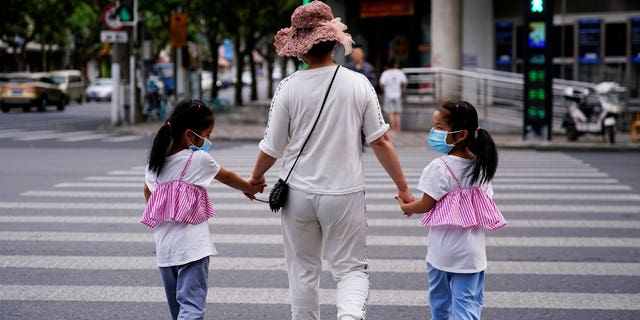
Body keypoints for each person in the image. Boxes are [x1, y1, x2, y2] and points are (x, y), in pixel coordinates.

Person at [249, 1, 414, 319]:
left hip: (296, 194)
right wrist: (404, 190)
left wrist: (254, 179)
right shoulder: (358, 84)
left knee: (303, 273)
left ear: (300, 49)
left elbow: (272, 146)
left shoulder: (288, 88)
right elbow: (380, 140)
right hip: (344, 194)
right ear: (334, 43)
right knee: (351, 270)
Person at [142, 99, 264, 320]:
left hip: (165, 250)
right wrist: (249, 187)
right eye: (207, 134)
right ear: (190, 135)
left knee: (178, 311)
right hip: (192, 249)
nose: (209, 140)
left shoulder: (154, 163)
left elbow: (148, 194)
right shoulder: (197, 159)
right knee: (192, 308)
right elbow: (226, 176)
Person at [394, 101, 506, 320]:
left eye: (439, 127)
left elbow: (426, 204)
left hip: (441, 252)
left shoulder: (439, 167)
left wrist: (406, 206)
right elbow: (486, 200)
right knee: (467, 305)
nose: (433, 132)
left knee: (440, 303)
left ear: (461, 134)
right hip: (471, 254)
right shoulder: (482, 167)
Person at [379, 59, 408, 134]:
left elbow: (382, 83)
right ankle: (398, 129)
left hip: (388, 95)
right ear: (395, 64)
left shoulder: (386, 73)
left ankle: (393, 129)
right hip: (397, 94)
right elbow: (405, 82)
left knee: (391, 113)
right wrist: (402, 89)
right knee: (397, 113)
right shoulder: (399, 72)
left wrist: (383, 90)